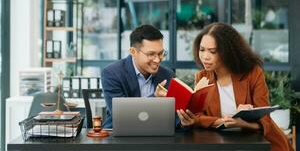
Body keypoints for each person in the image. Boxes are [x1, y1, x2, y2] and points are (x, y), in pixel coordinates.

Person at [175, 22, 292, 151]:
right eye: (202, 50)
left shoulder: (253, 73)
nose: (205, 57)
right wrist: (222, 121)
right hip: (224, 143)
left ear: (228, 52)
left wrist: (244, 123)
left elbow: (265, 120)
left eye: (212, 51)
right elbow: (198, 116)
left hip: (263, 143)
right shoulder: (203, 77)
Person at [101, 24, 175, 128]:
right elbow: (121, 114)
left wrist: (185, 121)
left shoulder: (168, 75)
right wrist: (155, 98)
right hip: (120, 134)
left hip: (156, 133)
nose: (157, 60)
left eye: (161, 53)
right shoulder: (112, 73)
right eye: (151, 54)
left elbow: (172, 117)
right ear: (133, 52)